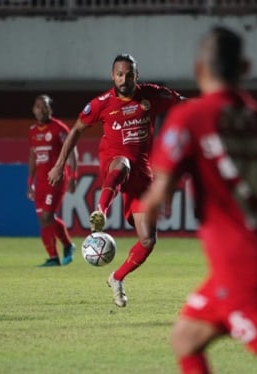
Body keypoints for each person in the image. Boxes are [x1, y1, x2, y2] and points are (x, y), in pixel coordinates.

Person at [142, 26, 257, 373]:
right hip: (255, 253)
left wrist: (147, 209)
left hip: (240, 265)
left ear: (199, 69)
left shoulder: (189, 117)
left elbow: (160, 193)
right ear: (245, 68)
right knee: (186, 338)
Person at [48, 53, 183, 307]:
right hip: (113, 165)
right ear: (112, 76)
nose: (124, 79)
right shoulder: (101, 103)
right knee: (123, 163)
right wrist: (58, 165)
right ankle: (101, 210)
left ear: (136, 76)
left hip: (143, 178)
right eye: (119, 74)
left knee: (148, 241)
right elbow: (77, 129)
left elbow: (183, 103)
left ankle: (117, 278)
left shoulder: (152, 95)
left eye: (129, 74)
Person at [28, 94, 78, 267]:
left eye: (45, 106)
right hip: (40, 182)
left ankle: (60, 251)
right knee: (44, 219)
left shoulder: (59, 128)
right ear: (33, 110)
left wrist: (73, 176)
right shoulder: (33, 131)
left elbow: (72, 151)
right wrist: (30, 183)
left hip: (56, 179)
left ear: (50, 109)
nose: (41, 110)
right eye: (38, 106)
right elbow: (33, 156)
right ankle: (59, 252)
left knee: (48, 215)